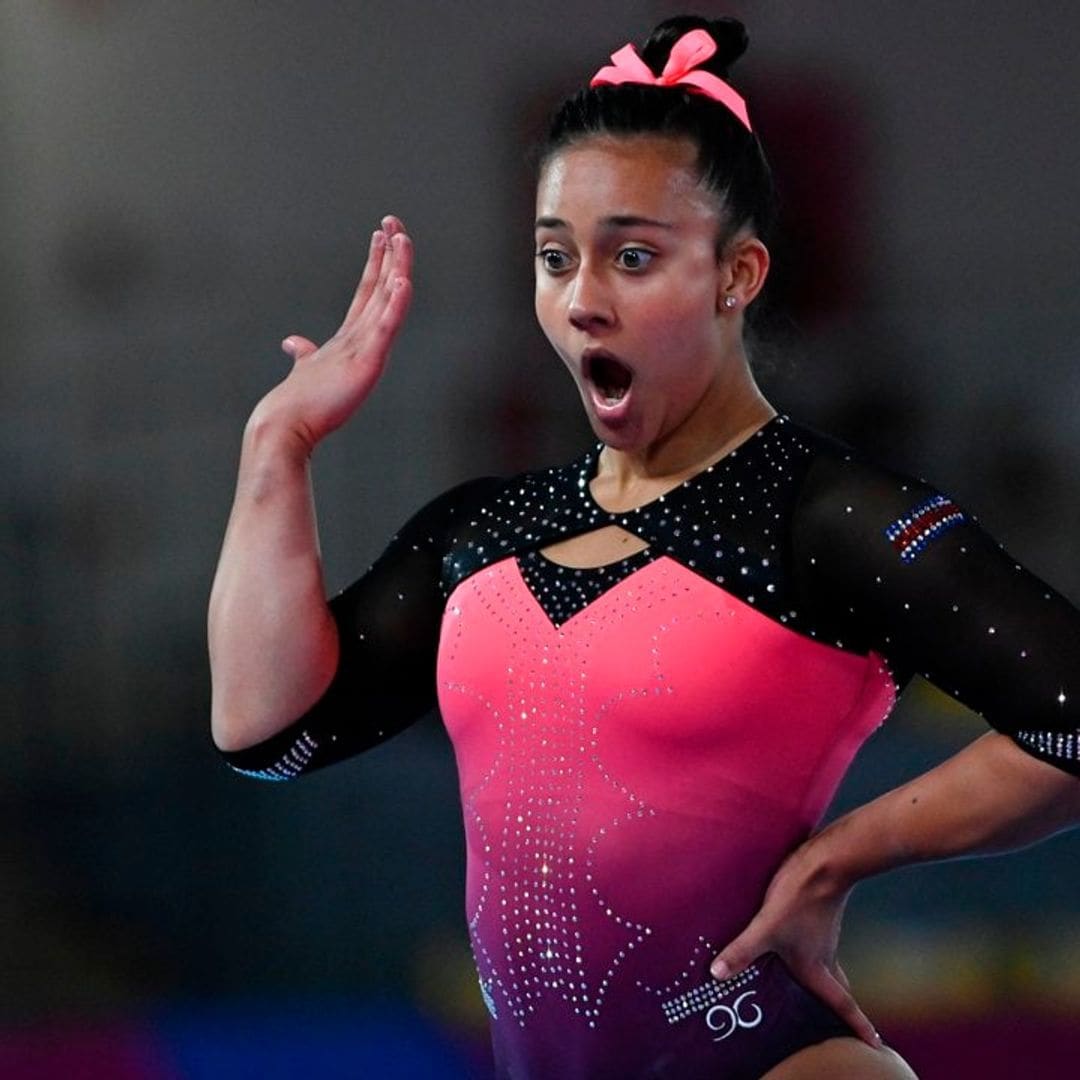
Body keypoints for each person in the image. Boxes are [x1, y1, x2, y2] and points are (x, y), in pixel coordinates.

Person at [208, 14, 1080, 1079]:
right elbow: (270, 738)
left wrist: (841, 857)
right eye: (552, 258)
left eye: (632, 257)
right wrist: (277, 445)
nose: (582, 301)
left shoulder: (827, 518)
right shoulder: (481, 533)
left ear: (737, 274)